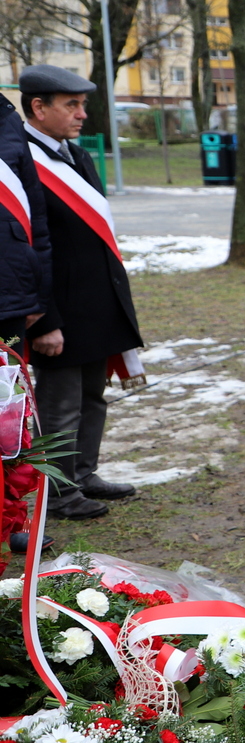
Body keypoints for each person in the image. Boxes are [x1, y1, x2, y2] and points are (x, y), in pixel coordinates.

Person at [20, 65, 141, 520]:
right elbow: (28, 248)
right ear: (38, 107)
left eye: (83, 104)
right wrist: (44, 318)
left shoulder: (77, 156)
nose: (82, 114)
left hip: (94, 303)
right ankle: (59, 493)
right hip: (60, 311)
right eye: (71, 105)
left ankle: (84, 475)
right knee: (60, 407)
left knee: (93, 396)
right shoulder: (19, 161)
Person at [0, 87, 52, 347]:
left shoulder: (7, 119)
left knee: (8, 387)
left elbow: (36, 217)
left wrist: (40, 299)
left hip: (10, 299)